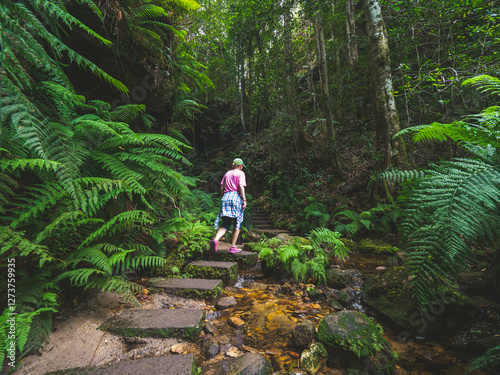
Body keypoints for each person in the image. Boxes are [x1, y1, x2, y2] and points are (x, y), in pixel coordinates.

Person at [210, 158, 247, 254]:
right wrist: (244, 200)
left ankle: (215, 240)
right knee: (237, 223)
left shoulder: (227, 173)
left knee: (226, 223)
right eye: (242, 166)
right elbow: (240, 186)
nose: (242, 167)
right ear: (239, 166)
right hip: (235, 197)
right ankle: (233, 247)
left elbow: (222, 187)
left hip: (225, 198)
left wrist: (223, 197)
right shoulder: (240, 173)